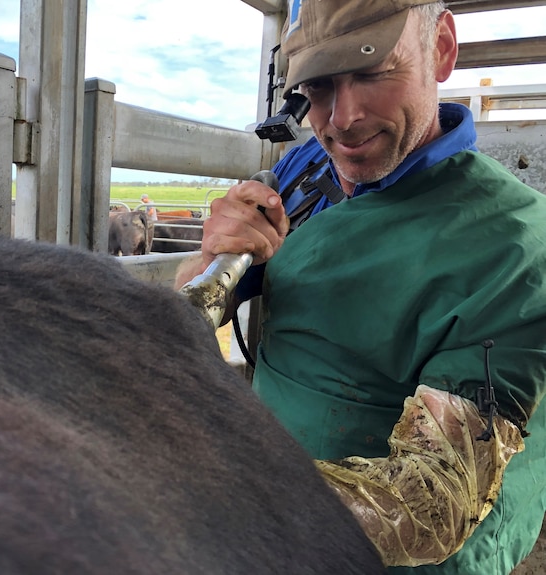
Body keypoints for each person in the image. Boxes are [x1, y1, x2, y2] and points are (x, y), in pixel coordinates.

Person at [175, 1, 546, 573]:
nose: (342, 118)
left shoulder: (514, 249)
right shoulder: (308, 168)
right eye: (318, 86)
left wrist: (200, 490)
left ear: (442, 48)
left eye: (373, 72)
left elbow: (427, 504)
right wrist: (212, 259)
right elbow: (199, 303)